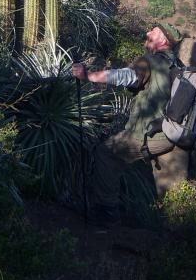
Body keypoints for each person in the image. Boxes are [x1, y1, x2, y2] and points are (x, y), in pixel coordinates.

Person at [72, 23, 188, 225]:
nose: (147, 33)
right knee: (176, 202)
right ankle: (174, 240)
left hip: (149, 134)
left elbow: (126, 76)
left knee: (106, 153)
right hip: (176, 138)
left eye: (153, 31)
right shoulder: (179, 66)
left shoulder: (150, 62)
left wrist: (88, 76)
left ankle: (108, 211)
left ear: (162, 38)